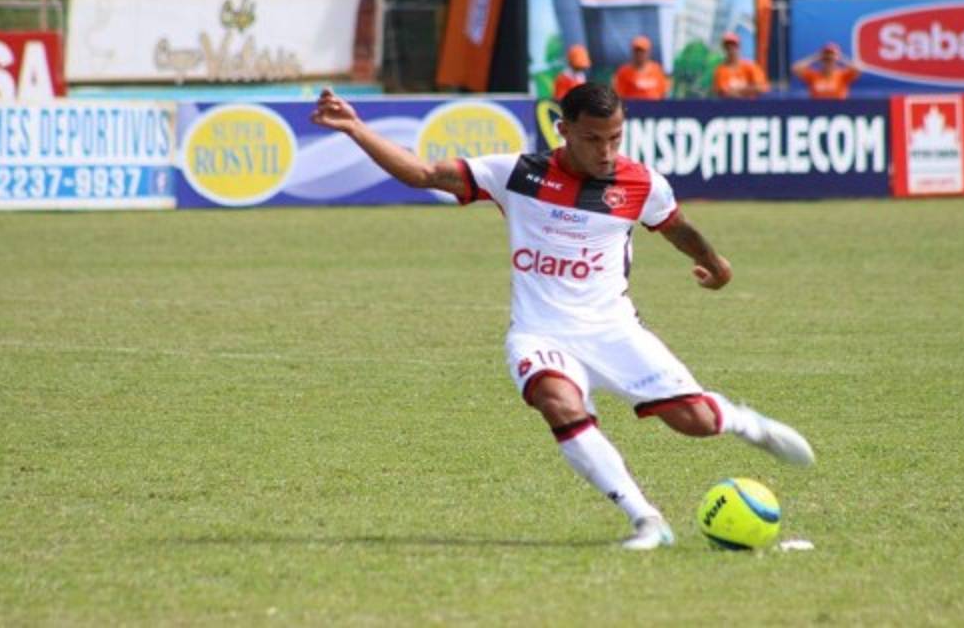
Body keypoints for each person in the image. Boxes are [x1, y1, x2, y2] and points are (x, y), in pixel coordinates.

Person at [310, 82, 814, 550]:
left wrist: (716, 263)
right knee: (559, 402)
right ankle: (647, 520)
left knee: (695, 423)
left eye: (615, 138)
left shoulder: (640, 183)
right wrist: (355, 128)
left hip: (614, 331)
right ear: (564, 129)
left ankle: (741, 421)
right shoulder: (518, 174)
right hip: (539, 333)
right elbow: (422, 173)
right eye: (593, 139)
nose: (606, 151)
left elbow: (675, 226)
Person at [792, 42, 861, 99]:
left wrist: (840, 57)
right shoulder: (813, 75)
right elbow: (795, 68)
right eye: (826, 58)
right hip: (817, 110)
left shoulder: (842, 75)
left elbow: (858, 69)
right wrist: (816, 57)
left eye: (831, 58)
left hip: (839, 109)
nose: (828, 60)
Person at [712, 31, 768, 99]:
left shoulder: (751, 67)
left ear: (738, 47)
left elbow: (762, 87)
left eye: (733, 45)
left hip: (751, 107)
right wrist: (749, 90)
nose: (730, 48)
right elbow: (723, 92)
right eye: (727, 46)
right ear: (724, 48)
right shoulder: (720, 70)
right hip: (729, 107)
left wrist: (739, 90)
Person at [612, 35, 669, 100]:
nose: (639, 54)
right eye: (636, 51)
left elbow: (663, 93)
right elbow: (618, 95)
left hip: (655, 108)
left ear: (648, 52)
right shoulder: (623, 71)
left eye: (642, 51)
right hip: (632, 108)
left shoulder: (657, 70)